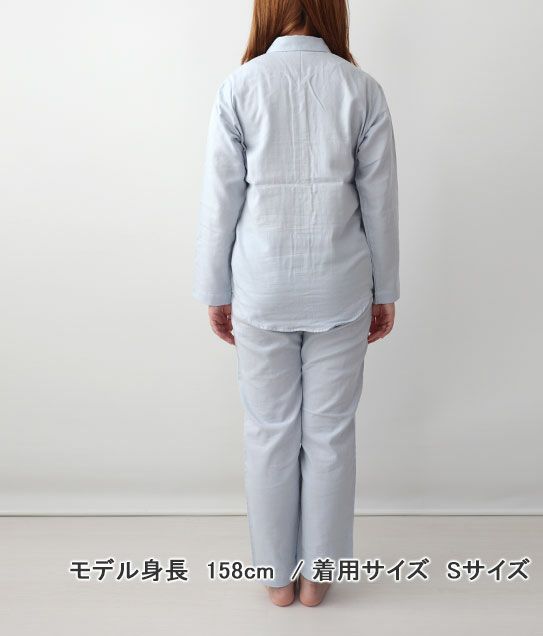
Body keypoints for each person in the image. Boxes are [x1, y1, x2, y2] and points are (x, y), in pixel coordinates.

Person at [193, 0, 399, 607]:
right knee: (330, 435)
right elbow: (380, 202)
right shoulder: (362, 90)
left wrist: (215, 290)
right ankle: (318, 579)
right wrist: (385, 290)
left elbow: (220, 201)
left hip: (261, 285)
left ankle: (277, 579)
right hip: (341, 285)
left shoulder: (239, 87)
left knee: (269, 433)